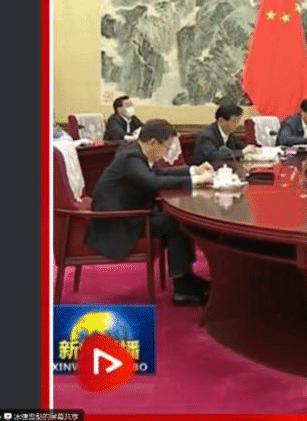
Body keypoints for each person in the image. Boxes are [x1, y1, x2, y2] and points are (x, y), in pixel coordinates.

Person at [87, 119, 214, 306]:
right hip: (118, 221)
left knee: (176, 220)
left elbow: (158, 174)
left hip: (131, 212)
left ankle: (186, 277)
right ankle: (182, 287)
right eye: (166, 148)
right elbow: (152, 182)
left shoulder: (135, 152)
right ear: (153, 142)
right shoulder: (130, 157)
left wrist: (194, 171)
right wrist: (196, 181)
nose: (166, 153)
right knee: (174, 223)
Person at [192, 103, 257, 165]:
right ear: (221, 121)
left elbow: (241, 147)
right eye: (234, 121)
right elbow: (214, 156)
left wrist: (249, 152)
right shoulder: (206, 136)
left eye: (238, 121)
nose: (237, 124)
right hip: (204, 170)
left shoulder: (229, 134)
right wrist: (242, 152)